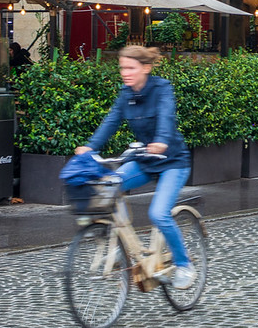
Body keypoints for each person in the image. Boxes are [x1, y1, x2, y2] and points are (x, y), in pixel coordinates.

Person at [75, 46, 194, 289]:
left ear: (146, 68)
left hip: (172, 161)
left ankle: (184, 265)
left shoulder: (162, 89)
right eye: (122, 67)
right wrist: (90, 147)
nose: (124, 73)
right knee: (109, 186)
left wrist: (161, 141)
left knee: (158, 214)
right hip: (145, 161)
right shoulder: (125, 93)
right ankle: (125, 247)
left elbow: (166, 116)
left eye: (130, 68)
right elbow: (111, 121)